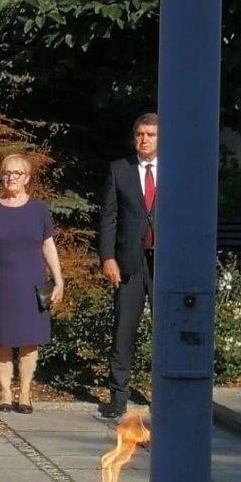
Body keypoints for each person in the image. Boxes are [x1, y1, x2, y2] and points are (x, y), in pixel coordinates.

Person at [0, 154, 64, 415]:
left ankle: (24, 391)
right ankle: (4, 391)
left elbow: (48, 246)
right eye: (6, 173)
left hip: (33, 283)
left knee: (29, 340)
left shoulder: (39, 210)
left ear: (27, 178)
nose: (11, 177)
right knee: (2, 339)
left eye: (16, 173)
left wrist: (59, 279)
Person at [99, 113, 159, 419]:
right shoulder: (119, 170)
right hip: (129, 262)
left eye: (150, 134)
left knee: (167, 330)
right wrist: (108, 257)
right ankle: (118, 395)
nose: (144, 139)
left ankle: (166, 393)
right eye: (140, 134)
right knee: (123, 329)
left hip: (165, 263)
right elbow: (108, 218)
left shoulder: (175, 171)